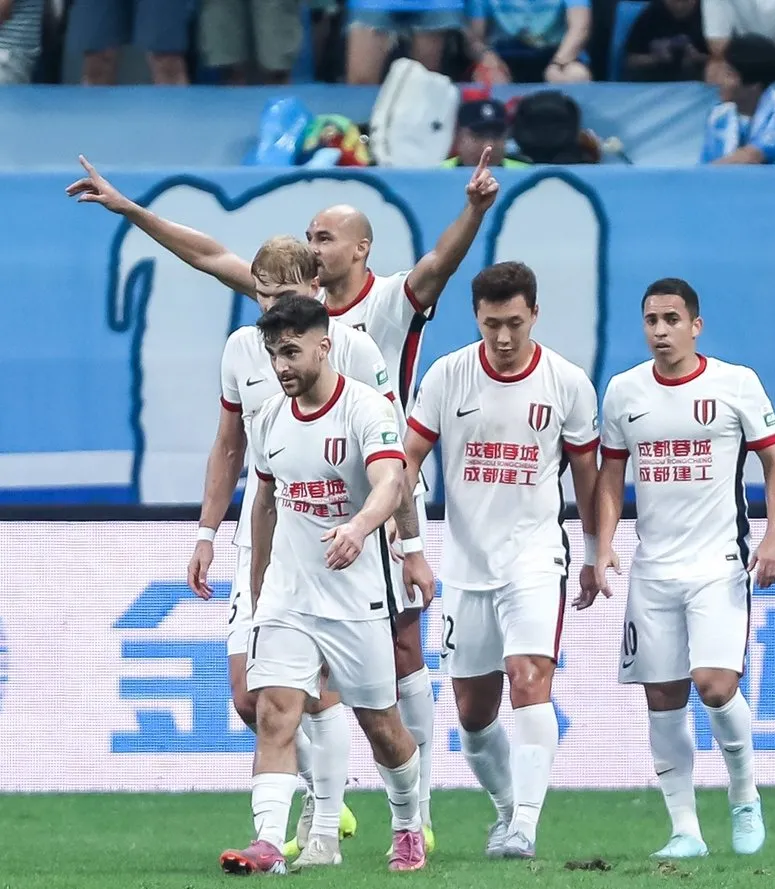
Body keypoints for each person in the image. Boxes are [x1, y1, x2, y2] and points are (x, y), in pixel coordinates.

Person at [65, 152, 499, 853]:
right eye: (309, 236)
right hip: (290, 531)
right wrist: (130, 208)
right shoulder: (263, 338)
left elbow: (438, 270)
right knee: (265, 699)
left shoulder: (370, 326)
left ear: (347, 257)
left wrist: (404, 539)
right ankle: (312, 820)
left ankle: (411, 811)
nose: (313, 246)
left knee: (390, 682)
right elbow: (207, 257)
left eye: (325, 237)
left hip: (370, 513)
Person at [185, 237, 427, 867]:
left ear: (325, 343)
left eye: (291, 351)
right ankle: (269, 841)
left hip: (355, 594)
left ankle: (407, 818)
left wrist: (362, 529)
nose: (281, 365)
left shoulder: (365, 408)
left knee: (383, 728)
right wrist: (262, 585)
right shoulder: (270, 419)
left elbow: (390, 481)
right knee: (273, 711)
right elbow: (264, 502)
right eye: (273, 354)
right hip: (290, 594)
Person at [402, 261, 601, 859]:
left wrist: (596, 551)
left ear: (535, 313)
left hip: (536, 556)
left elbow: (588, 475)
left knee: (529, 679)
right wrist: (404, 535)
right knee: (472, 716)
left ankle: (526, 828)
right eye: (493, 325)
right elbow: (405, 459)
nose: (505, 337)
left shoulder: (567, 382)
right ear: (476, 318)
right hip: (465, 563)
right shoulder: (447, 376)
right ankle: (507, 809)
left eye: (515, 322)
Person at [595, 277, 775, 860]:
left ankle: (744, 796)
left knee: (715, 684)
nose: (661, 331)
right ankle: (685, 829)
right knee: (663, 698)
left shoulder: (736, 384)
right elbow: (609, 474)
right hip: (653, 569)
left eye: (672, 319)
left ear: (695, 325)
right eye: (652, 320)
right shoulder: (625, 392)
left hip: (718, 563)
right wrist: (602, 544)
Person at [700, 33, 775, 165]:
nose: (719, 80)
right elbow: (708, 163)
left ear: (754, 85)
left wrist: (707, 172)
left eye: (729, 74)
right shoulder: (718, 115)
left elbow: (752, 157)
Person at [441, 99, 531, 168]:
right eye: (479, 136)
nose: (489, 145)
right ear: (458, 138)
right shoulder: (438, 175)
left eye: (496, 136)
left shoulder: (525, 174)